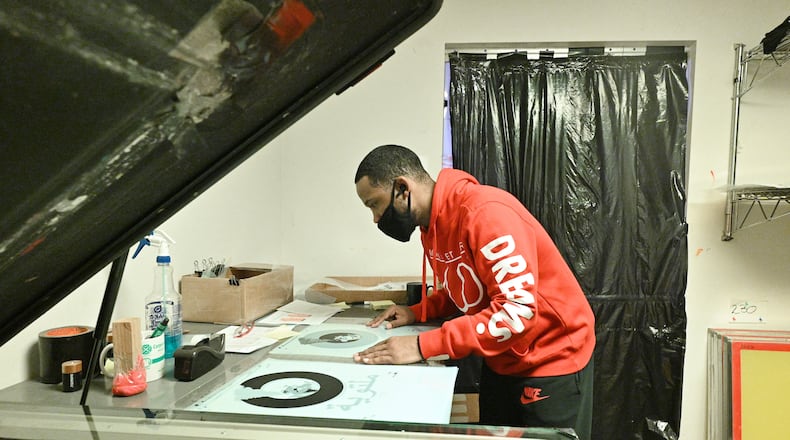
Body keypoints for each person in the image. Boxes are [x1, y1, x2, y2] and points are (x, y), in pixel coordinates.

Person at [352, 144, 595, 439]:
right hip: (502, 358)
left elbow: (515, 313)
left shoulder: (485, 213)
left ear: (403, 188)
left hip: (551, 359)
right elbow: (466, 288)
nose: (376, 219)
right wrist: (416, 311)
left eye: (374, 204)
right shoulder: (431, 228)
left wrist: (420, 346)